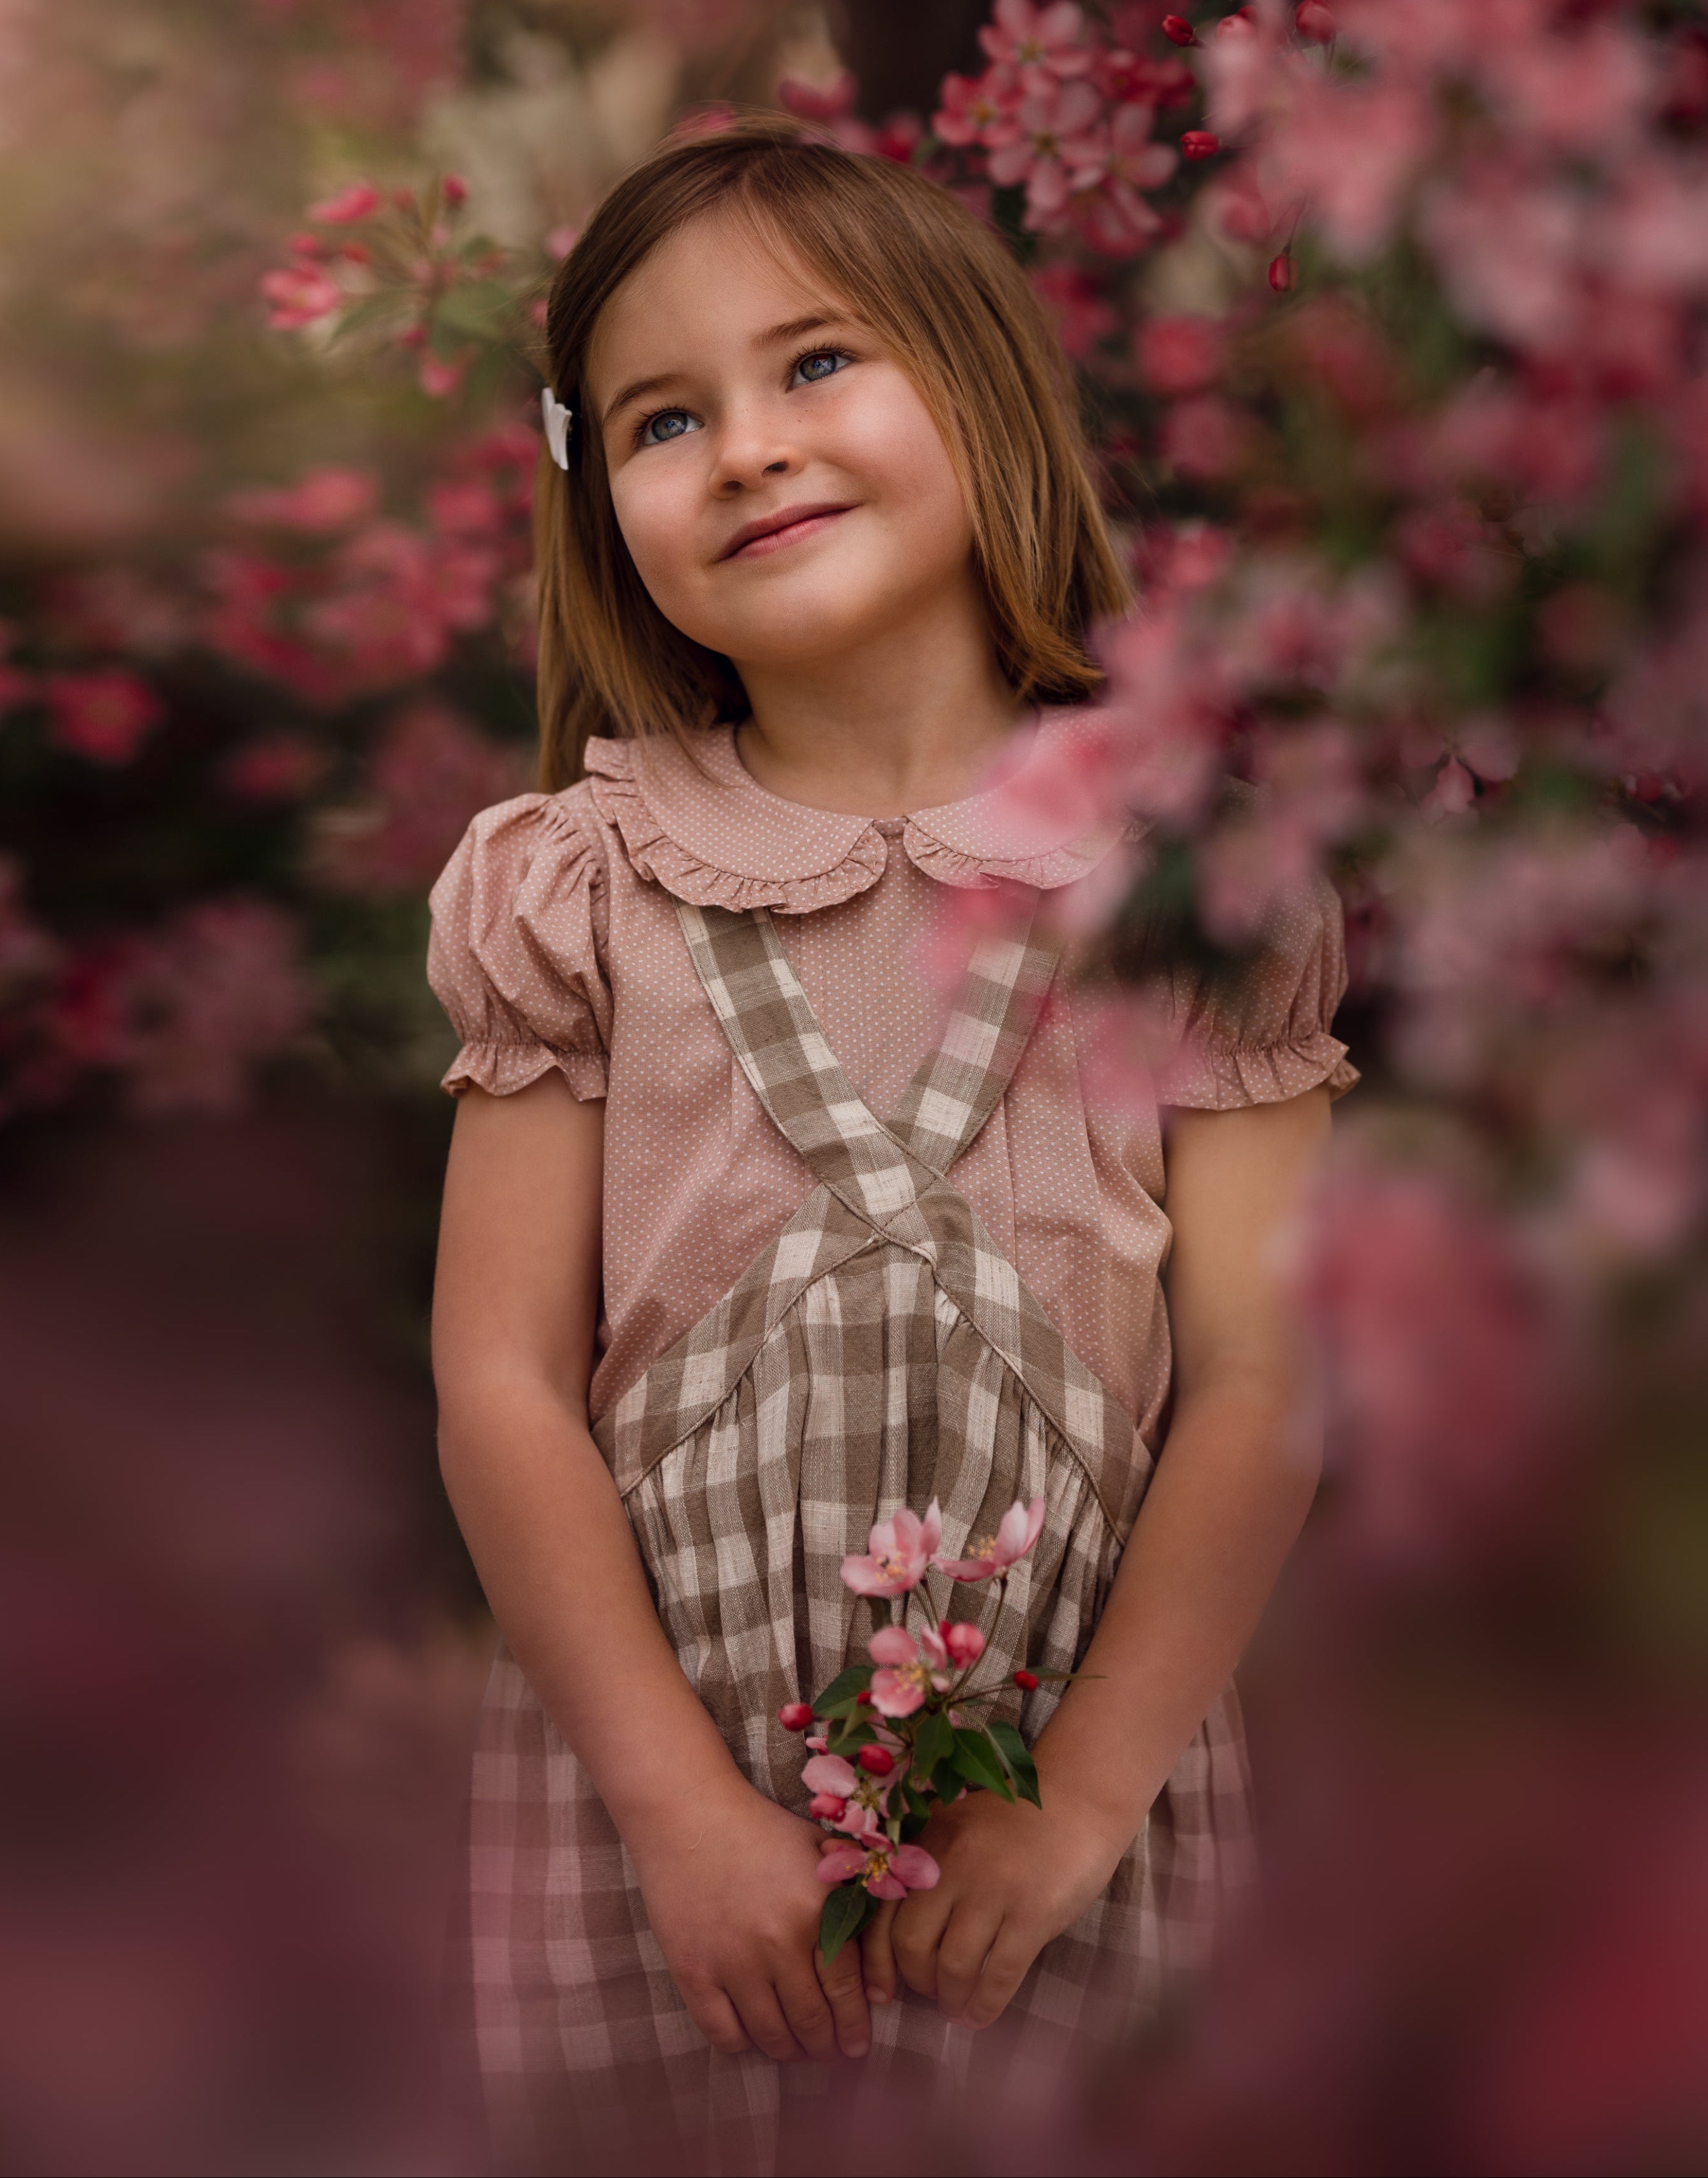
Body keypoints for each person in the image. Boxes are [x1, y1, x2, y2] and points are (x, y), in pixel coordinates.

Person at [427, 118, 1354, 2174]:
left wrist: (1091, 1791)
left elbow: (1270, 1378)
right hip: (672, 1809)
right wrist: (674, 1806)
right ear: (611, 510)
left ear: (982, 384)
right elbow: (495, 1380)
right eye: (667, 416)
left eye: (817, 363)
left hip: (1060, 1797)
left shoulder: (1188, 875)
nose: (749, 445)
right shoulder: (582, 888)